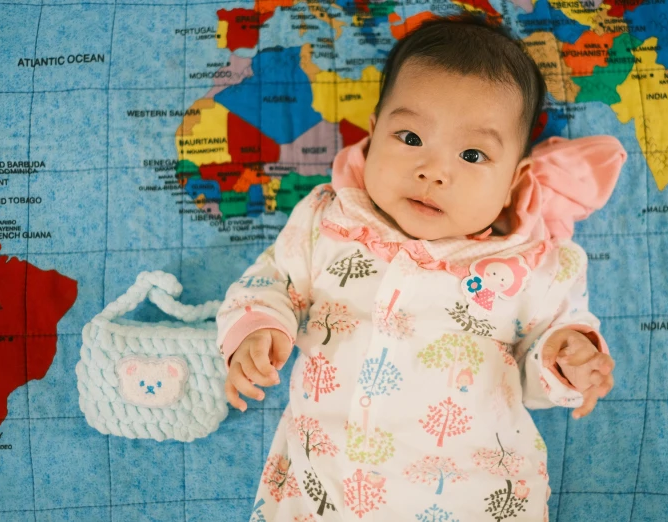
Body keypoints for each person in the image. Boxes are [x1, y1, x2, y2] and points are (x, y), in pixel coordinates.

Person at [217, 13, 626, 521]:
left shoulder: (530, 265)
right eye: (410, 138)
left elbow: (538, 368)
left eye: (473, 154)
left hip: (475, 494)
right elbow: (271, 280)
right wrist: (258, 328)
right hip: (323, 491)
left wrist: (566, 356)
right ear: (373, 134)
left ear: (513, 181)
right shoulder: (331, 221)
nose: (433, 171)